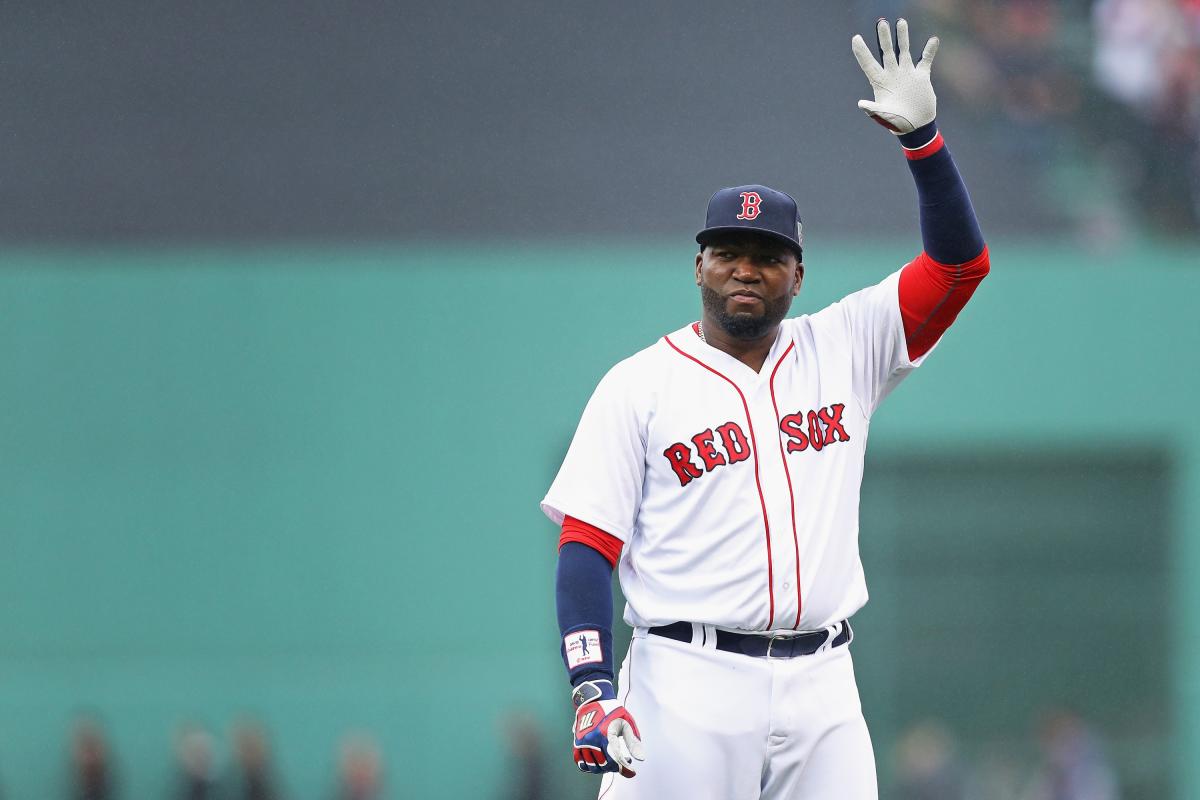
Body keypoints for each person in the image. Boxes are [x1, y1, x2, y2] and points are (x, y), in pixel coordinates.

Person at [540, 18, 990, 800]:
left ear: (798, 274)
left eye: (768, 257)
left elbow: (958, 267)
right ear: (698, 267)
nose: (746, 271)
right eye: (728, 254)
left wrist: (925, 143)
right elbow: (587, 546)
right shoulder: (638, 384)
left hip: (824, 683)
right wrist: (591, 687)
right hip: (686, 680)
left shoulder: (846, 344)